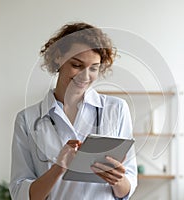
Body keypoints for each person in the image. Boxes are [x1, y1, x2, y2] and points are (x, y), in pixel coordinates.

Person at [9, 22, 137, 200]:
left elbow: (128, 186)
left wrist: (118, 180)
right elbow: (20, 194)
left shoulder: (116, 109)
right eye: (77, 65)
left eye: (93, 68)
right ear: (58, 58)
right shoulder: (27, 119)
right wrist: (58, 168)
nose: (85, 77)